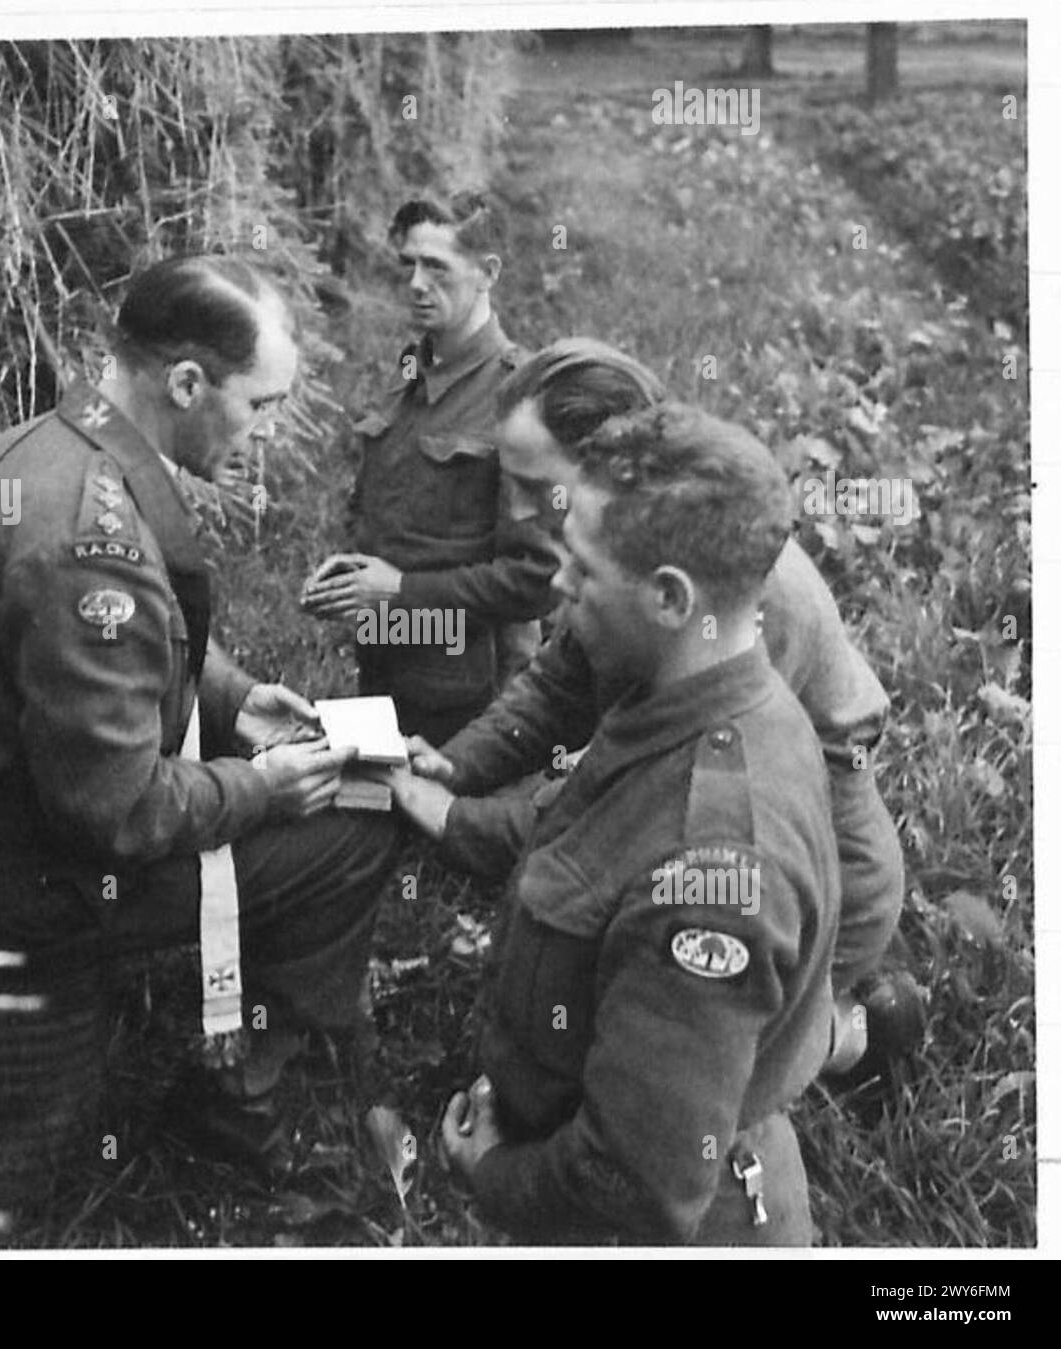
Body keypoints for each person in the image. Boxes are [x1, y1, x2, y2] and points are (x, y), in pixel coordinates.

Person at [0, 255, 399, 1166]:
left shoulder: (49, 442)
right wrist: (264, 787)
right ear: (187, 382)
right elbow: (117, 814)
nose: (269, 435)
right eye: (262, 406)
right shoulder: (93, 537)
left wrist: (231, 703)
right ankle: (237, 1101)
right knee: (356, 826)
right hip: (22, 888)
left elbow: (114, 651)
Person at [390, 405, 840, 1244]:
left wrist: (492, 1172)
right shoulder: (684, 694)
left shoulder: (714, 872)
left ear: (671, 597)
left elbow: (630, 1183)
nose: (556, 586)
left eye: (583, 571)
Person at [406, 338, 914, 1068]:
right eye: (505, 480)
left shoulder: (744, 608)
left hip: (807, 883)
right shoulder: (627, 554)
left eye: (533, 485)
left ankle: (867, 1033)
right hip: (718, 854)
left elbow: (628, 801)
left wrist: (452, 818)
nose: (516, 509)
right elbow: (557, 686)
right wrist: (453, 766)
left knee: (734, 1057)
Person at [300, 191, 559, 744]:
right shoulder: (413, 370)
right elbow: (384, 500)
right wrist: (349, 575)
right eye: (409, 265)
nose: (416, 284)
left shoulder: (517, 396)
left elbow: (539, 579)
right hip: (389, 660)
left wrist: (399, 590)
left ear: (487, 272)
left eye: (437, 267)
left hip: (473, 697)